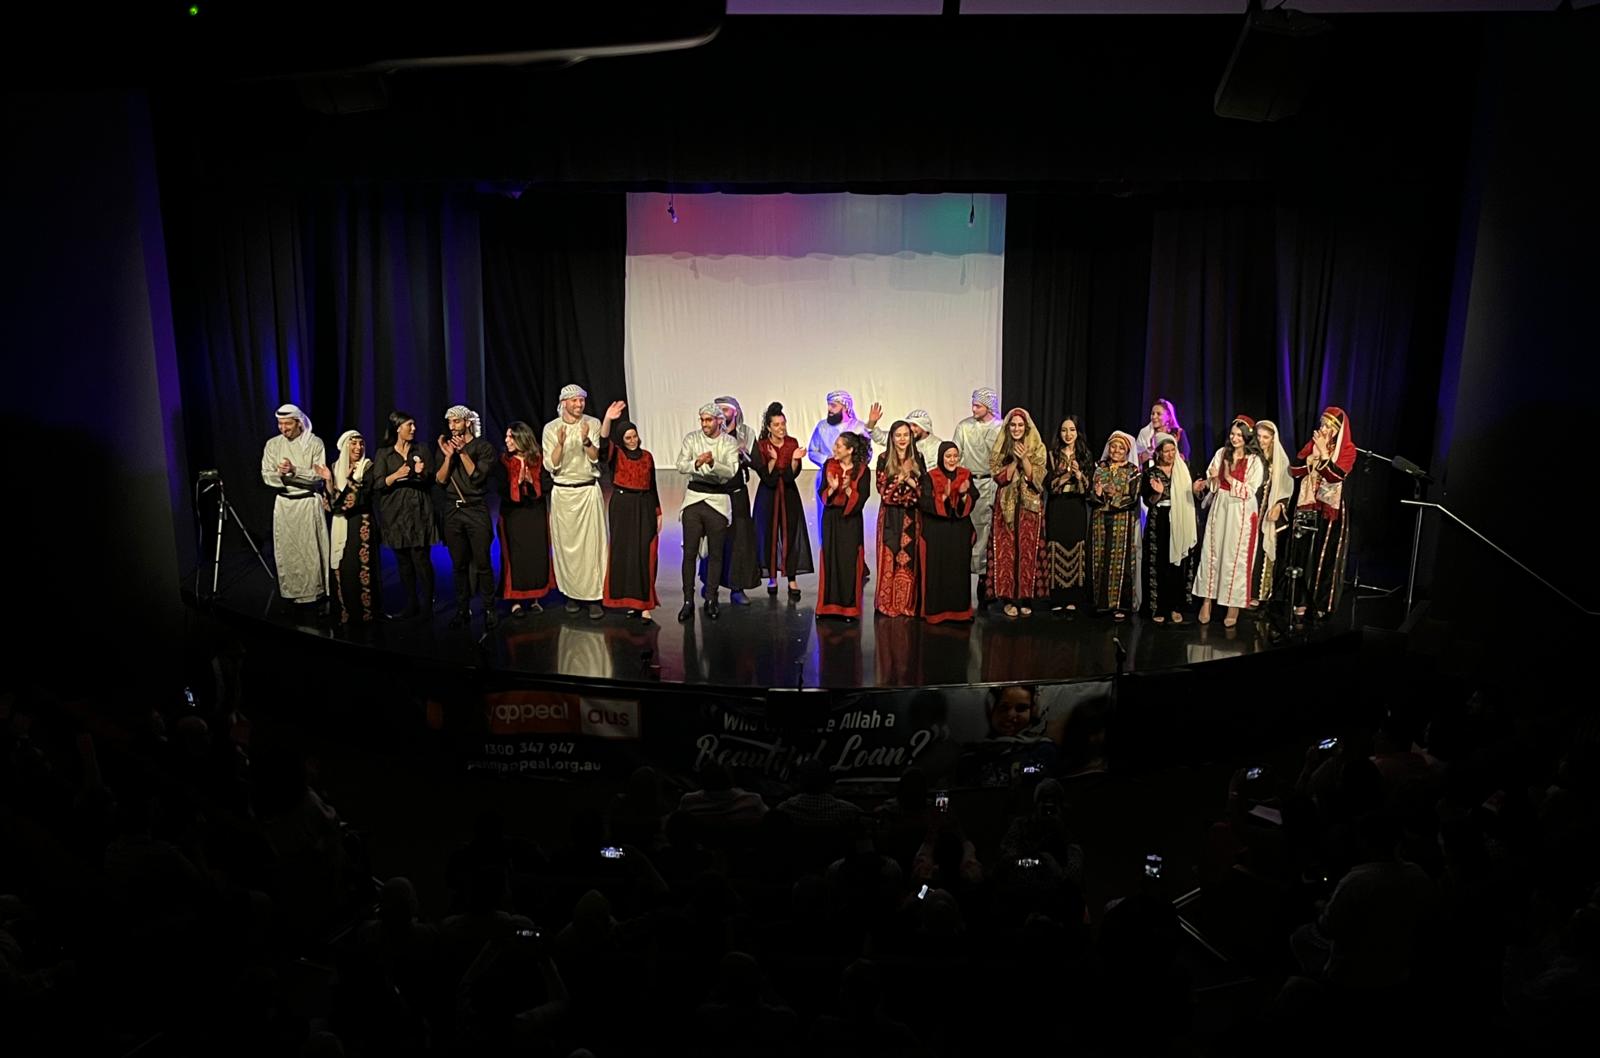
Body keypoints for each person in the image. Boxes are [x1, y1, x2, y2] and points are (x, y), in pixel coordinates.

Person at [542, 384, 608, 619]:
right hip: (563, 493)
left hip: (587, 492)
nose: (579, 405)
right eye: (574, 401)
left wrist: (586, 441)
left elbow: (595, 458)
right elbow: (551, 465)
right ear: (564, 403)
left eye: (582, 401)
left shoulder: (592, 423)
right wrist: (560, 444)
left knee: (592, 547)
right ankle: (571, 594)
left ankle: (594, 597)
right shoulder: (551, 428)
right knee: (566, 547)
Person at [1192, 416, 1264, 628]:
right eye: (1232, 434)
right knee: (1212, 552)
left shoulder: (1253, 461)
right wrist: (1213, 479)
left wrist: (1229, 477)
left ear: (1247, 437)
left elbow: (1250, 491)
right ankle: (1207, 601)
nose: (1234, 438)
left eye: (1239, 435)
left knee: (1234, 556)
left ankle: (1233, 607)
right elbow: (1214, 483)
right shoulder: (1221, 454)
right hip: (1221, 506)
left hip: (1240, 511)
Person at [1289, 406, 1357, 621]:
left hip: (1330, 509)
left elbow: (1335, 476)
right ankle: (1300, 600)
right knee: (1303, 553)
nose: (1325, 428)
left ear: (1338, 430)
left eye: (1330, 425)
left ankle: (1320, 602)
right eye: (1323, 424)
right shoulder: (1313, 444)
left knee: (1324, 556)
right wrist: (1313, 457)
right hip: (1308, 504)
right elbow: (1295, 471)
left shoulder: (1348, 449)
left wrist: (1324, 456)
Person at [676, 403, 742, 622]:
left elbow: (732, 471)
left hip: (718, 500)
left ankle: (711, 599)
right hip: (694, 499)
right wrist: (697, 462)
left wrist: (713, 463)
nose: (704, 424)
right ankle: (687, 600)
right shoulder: (691, 439)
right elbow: (681, 465)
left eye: (709, 420)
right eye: (702, 420)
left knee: (716, 553)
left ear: (719, 421)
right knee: (689, 553)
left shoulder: (729, 442)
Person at [260, 404, 330, 608]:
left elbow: (319, 476)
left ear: (299, 423)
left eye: (287, 424)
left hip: (307, 503)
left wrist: (295, 471)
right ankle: (291, 591)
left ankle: (314, 593)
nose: (283, 428)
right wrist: (281, 475)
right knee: (288, 550)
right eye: (280, 424)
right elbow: (266, 474)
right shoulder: (272, 444)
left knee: (310, 551)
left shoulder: (314, 443)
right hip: (284, 505)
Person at [435, 405, 497, 630]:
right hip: (453, 510)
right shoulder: (446, 448)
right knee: (458, 564)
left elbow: (477, 477)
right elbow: (440, 481)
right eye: (449, 422)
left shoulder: (483, 447)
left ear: (467, 422)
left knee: (482, 562)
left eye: (457, 422)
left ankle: (490, 608)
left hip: (475, 508)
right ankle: (463, 609)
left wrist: (462, 453)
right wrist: (449, 457)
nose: (452, 427)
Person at [373, 410, 438, 620]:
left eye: (414, 424)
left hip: (419, 511)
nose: (413, 429)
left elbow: (431, 480)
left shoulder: (421, 449)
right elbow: (378, 483)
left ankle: (427, 604)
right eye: (409, 425)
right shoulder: (384, 454)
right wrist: (396, 475)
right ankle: (411, 603)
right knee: (403, 561)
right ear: (397, 427)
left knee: (421, 559)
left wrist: (420, 473)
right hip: (394, 513)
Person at [599, 402, 661, 623]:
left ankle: (644, 604)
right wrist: (608, 419)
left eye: (634, 436)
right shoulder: (616, 455)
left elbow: (652, 485)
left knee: (644, 553)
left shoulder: (647, 456)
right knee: (625, 553)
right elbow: (603, 442)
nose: (633, 440)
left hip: (644, 506)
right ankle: (629, 601)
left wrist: (658, 511)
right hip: (622, 507)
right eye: (628, 438)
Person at [314, 429, 380, 625]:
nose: (358, 448)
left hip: (361, 524)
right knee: (342, 568)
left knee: (358, 569)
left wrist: (351, 481)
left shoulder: (368, 468)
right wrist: (328, 480)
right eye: (353, 443)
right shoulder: (335, 467)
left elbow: (355, 500)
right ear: (345, 447)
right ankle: (343, 612)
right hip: (340, 525)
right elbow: (330, 504)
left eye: (361, 444)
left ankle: (364, 614)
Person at [988, 408, 1048, 619]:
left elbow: (1037, 479)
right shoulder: (1001, 445)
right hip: (1006, 504)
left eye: (1020, 425)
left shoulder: (1038, 448)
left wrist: (1024, 459)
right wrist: (1014, 460)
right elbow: (998, 476)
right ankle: (1008, 599)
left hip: (1029, 505)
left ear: (1027, 427)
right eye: (1012, 425)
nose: (1016, 428)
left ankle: (1026, 597)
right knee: (1007, 550)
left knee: (1027, 548)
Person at [750, 402, 813, 600]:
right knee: (768, 534)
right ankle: (772, 577)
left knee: (790, 534)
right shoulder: (761, 446)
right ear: (768, 427)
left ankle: (792, 578)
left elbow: (789, 477)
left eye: (783, 424)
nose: (781, 428)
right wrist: (771, 460)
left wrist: (794, 460)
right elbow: (766, 478)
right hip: (768, 496)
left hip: (788, 494)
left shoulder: (792, 443)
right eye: (776, 425)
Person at [703, 396, 762, 604]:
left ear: (734, 412)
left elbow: (758, 464)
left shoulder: (746, 433)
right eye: (717, 410)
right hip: (715, 493)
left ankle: (737, 588)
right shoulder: (710, 434)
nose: (720, 414)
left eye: (724, 410)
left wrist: (744, 452)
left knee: (739, 541)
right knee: (714, 539)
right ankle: (709, 584)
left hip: (736, 493)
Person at [497, 420, 555, 617]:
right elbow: (499, 488)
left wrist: (532, 482)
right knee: (516, 556)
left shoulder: (538, 459)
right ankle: (516, 600)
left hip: (535, 514)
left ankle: (535, 598)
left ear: (521, 438)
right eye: (506, 436)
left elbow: (547, 484)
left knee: (536, 554)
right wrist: (516, 482)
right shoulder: (504, 460)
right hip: (514, 515)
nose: (506, 440)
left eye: (510, 436)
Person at [1139, 433, 1196, 625]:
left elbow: (1191, 495)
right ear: (1159, 453)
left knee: (1177, 565)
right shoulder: (1151, 473)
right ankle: (1157, 607)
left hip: (1180, 519)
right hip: (1159, 520)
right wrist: (1158, 493)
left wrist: (1197, 488)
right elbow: (1149, 501)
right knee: (1158, 562)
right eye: (1166, 451)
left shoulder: (1183, 470)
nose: (1170, 454)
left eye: (1173, 450)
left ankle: (1175, 607)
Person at [917, 441, 977, 624]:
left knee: (958, 571)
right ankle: (937, 613)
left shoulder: (965, 474)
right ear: (941, 457)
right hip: (937, 532)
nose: (952, 460)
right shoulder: (930, 476)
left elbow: (972, 498)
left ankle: (961, 612)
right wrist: (942, 497)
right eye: (948, 456)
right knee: (937, 572)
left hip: (958, 531)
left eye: (954, 456)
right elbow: (923, 502)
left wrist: (965, 494)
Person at [816, 432, 872, 622]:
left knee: (848, 563)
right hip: (831, 518)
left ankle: (848, 608)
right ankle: (826, 607)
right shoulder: (829, 465)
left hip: (851, 520)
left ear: (850, 450)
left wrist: (848, 488)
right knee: (830, 559)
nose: (835, 449)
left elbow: (862, 497)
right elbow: (822, 492)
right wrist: (832, 488)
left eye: (839, 446)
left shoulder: (863, 470)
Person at [873, 420, 925, 618]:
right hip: (890, 517)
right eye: (898, 435)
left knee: (909, 558)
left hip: (912, 516)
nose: (902, 439)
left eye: (906, 435)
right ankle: (888, 603)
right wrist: (900, 479)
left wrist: (909, 479)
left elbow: (923, 490)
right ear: (892, 438)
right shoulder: (883, 458)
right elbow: (884, 492)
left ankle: (907, 604)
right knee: (890, 556)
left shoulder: (917, 457)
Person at [954, 387, 1004, 592]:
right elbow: (956, 454)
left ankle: (985, 581)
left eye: (978, 405)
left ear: (989, 407)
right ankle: (963, 577)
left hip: (991, 484)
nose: (973, 409)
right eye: (973, 404)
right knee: (967, 531)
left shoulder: (1001, 428)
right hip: (969, 484)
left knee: (987, 532)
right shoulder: (964, 427)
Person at [1044, 415, 1095, 612]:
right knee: (1056, 547)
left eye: (1072, 430)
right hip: (1057, 506)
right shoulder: (1052, 455)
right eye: (1064, 430)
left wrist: (1079, 475)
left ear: (1077, 432)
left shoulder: (1085, 455)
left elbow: (1088, 488)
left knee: (1076, 548)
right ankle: (1057, 598)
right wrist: (1066, 475)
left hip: (1076, 506)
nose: (1068, 434)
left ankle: (1074, 596)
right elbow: (1049, 485)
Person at [1090, 430, 1140, 620]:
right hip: (1101, 517)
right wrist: (1099, 493)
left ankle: (1119, 605)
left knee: (1119, 559)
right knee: (1101, 557)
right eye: (1113, 446)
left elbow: (1133, 497)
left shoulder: (1132, 471)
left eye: (1121, 447)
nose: (1116, 450)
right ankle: (1100, 603)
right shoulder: (1100, 467)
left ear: (1127, 451)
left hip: (1121, 518)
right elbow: (1092, 495)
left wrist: (1114, 495)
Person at [1251, 419, 1295, 609]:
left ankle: (1257, 593)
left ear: (1273, 439)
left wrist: (1279, 505)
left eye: (1266, 437)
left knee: (1261, 551)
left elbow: (1286, 487)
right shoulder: (1251, 456)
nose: (1261, 441)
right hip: (1249, 510)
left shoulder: (1279, 460)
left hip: (1266, 513)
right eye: (1259, 436)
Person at [868, 405, 943, 469]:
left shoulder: (937, 445)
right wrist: (872, 422)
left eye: (915, 425)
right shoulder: (904, 438)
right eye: (909, 425)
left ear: (924, 427)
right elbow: (881, 437)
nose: (911, 429)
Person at [1135, 397, 1190, 466]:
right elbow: (1137, 460)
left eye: (1158, 414)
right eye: (1152, 413)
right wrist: (1150, 450)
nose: (1154, 417)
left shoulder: (1179, 433)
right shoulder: (1145, 433)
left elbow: (1183, 458)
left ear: (1168, 416)